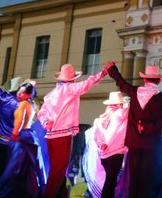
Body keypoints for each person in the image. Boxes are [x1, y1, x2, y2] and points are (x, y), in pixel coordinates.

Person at [38, 62, 112, 198]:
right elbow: (88, 83)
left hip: (51, 136)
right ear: (72, 79)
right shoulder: (70, 89)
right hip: (62, 134)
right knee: (58, 171)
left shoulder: (51, 95)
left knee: (57, 169)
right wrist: (103, 72)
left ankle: (61, 195)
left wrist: (46, 123)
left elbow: (41, 113)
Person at [107, 64, 162, 198]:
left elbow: (121, 83)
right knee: (147, 180)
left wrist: (111, 69)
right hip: (152, 145)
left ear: (144, 79)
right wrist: (151, 126)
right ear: (159, 81)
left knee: (134, 178)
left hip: (134, 143)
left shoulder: (134, 91)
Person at [0, 80, 42, 198]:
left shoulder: (4, 98)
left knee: (0, 169)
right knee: (15, 172)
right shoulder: (29, 104)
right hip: (19, 143)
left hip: (1, 139)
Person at [92, 91, 129, 198]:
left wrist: (101, 144)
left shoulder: (100, 119)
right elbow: (130, 109)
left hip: (104, 154)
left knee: (109, 180)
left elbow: (97, 137)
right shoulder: (120, 114)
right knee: (110, 181)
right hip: (116, 152)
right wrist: (127, 102)